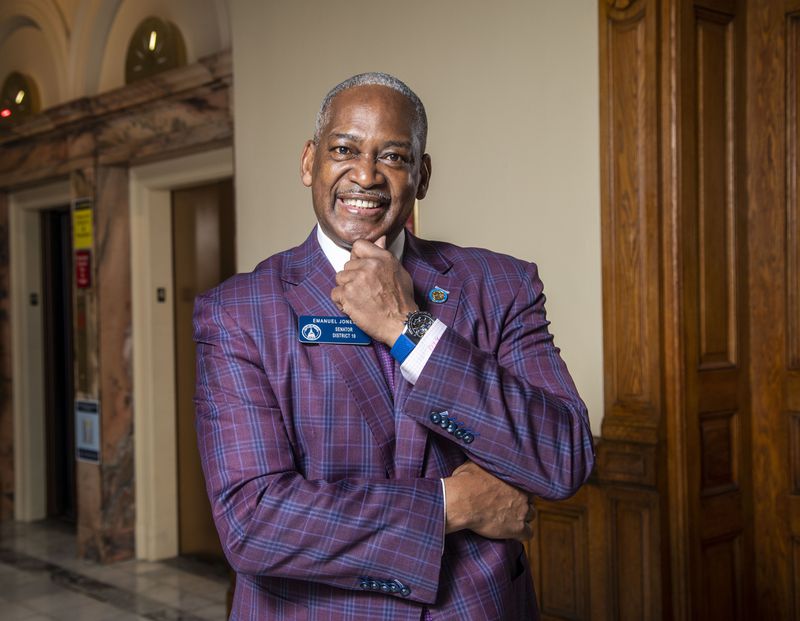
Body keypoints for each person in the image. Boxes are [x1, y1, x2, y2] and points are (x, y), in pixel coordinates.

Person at [193, 72, 594, 621]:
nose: (365, 175)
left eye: (394, 156)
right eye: (344, 149)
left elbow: (562, 456)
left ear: (421, 175)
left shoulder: (501, 285)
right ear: (310, 161)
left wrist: (411, 328)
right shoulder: (238, 312)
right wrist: (451, 506)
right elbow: (253, 522)